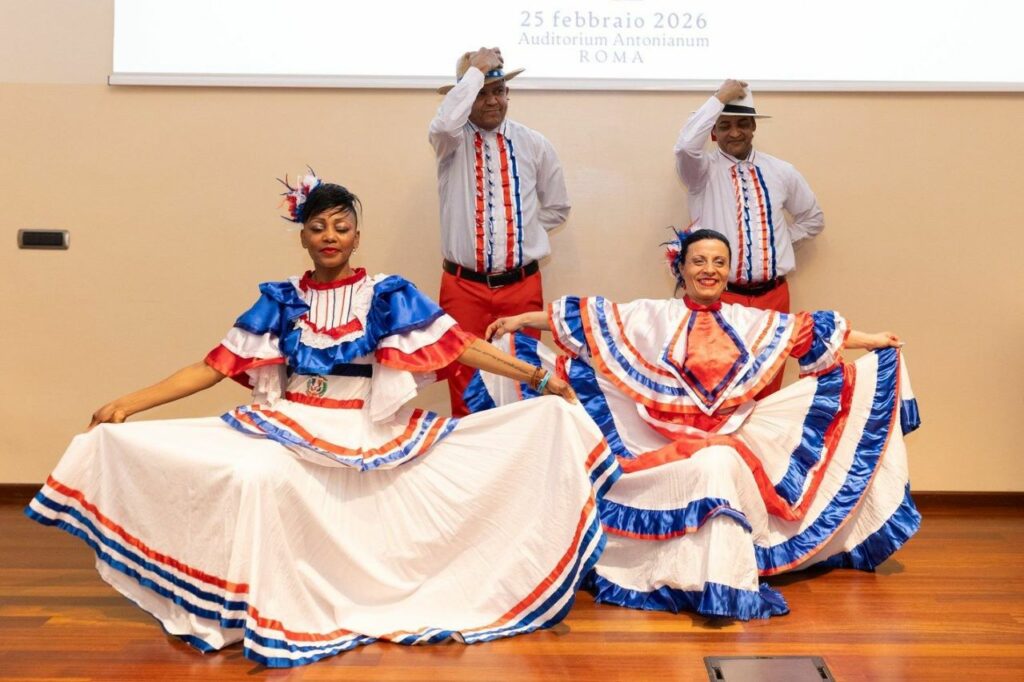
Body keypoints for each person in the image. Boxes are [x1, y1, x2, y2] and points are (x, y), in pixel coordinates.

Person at [25, 174, 619, 668]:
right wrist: (131, 402)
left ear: (357, 235)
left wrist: (541, 379)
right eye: (318, 226)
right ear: (303, 236)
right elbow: (213, 366)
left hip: (360, 430)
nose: (330, 236)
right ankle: (249, 604)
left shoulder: (386, 294)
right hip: (288, 422)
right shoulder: (281, 299)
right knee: (242, 472)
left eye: (341, 226)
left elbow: (459, 344)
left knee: (448, 467)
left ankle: (320, 598)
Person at [467, 228, 921, 620]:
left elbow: (809, 332)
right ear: (681, 268)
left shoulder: (750, 321)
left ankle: (721, 579)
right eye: (699, 261)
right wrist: (520, 320)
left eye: (719, 263)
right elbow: (585, 320)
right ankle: (695, 576)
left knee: (720, 462)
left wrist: (874, 340)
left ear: (729, 271)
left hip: (731, 439)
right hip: (652, 439)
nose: (709, 270)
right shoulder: (650, 315)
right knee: (705, 462)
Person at [430, 47, 571, 416]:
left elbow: (558, 207)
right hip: (463, 288)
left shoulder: (534, 144)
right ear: (465, 97)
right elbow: (443, 125)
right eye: (480, 93)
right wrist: (475, 72)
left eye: (499, 91)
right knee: (465, 383)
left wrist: (521, 236)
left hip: (521, 287)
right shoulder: (450, 143)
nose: (492, 101)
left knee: (526, 378)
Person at [675, 79, 825, 395]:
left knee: (768, 383)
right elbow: (686, 147)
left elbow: (812, 219)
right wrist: (719, 98)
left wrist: (778, 243)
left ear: (754, 127)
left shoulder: (781, 171)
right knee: (719, 383)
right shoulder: (700, 173)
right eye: (725, 125)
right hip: (719, 294)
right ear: (713, 132)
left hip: (774, 295)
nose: (735, 133)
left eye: (743, 124)